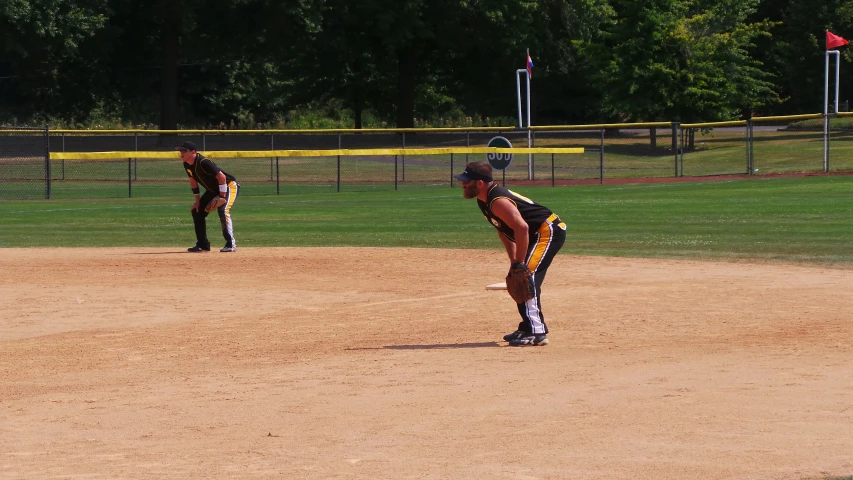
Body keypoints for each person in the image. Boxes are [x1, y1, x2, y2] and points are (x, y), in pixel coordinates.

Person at [455, 161, 566, 346]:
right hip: (534, 234)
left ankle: (537, 333)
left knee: (525, 277)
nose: (463, 184)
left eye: (467, 181)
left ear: (480, 183)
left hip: (548, 232)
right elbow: (503, 229)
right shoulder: (483, 199)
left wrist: (520, 264)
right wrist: (514, 261)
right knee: (517, 277)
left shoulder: (497, 201)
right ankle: (527, 327)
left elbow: (521, 228)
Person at [177, 141, 239, 253]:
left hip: (228, 186)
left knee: (223, 210)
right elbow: (193, 182)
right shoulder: (187, 164)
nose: (181, 153)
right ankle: (202, 244)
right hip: (212, 191)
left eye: (184, 151)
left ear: (193, 152)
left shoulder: (203, 162)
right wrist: (197, 202)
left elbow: (222, 177)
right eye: (180, 151)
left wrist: (222, 196)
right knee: (197, 211)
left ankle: (231, 243)